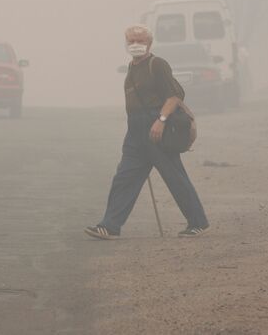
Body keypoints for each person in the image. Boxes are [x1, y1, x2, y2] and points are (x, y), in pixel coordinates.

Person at [85, 25, 209, 239]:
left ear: (149, 44)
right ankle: (110, 226)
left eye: (140, 41)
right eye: (132, 41)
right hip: (135, 131)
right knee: (124, 178)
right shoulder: (132, 67)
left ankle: (197, 223)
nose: (136, 45)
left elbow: (175, 95)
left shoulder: (157, 64)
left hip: (155, 127)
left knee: (175, 177)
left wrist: (160, 121)